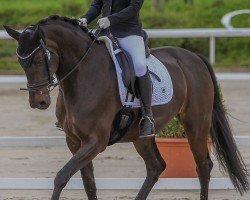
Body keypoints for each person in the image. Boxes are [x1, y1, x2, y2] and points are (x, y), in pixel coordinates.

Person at [79, 0, 155, 138]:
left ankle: (147, 116)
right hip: (105, 32)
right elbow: (96, 5)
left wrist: (111, 19)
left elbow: (134, 8)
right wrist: (85, 18)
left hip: (128, 32)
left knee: (140, 66)